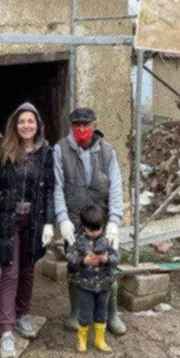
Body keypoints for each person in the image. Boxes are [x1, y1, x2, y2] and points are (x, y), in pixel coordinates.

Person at [0, 102, 55, 358]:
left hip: (34, 221)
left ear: (38, 125)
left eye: (31, 121)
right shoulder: (2, 148)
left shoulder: (46, 152)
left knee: (28, 270)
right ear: (15, 125)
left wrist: (49, 222)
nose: (26, 125)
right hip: (8, 219)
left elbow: (49, 189)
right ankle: (6, 331)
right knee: (10, 272)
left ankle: (22, 314)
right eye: (22, 121)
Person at [53, 107, 126, 335]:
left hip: (100, 220)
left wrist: (114, 221)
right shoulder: (60, 150)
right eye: (77, 125)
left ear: (95, 125)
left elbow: (116, 188)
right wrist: (62, 219)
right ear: (71, 127)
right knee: (75, 264)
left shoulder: (108, 152)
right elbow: (57, 187)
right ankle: (76, 312)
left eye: (86, 124)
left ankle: (111, 314)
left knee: (107, 265)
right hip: (75, 221)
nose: (81, 129)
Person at [66, 203, 119, 354]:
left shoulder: (107, 240)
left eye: (98, 229)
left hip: (105, 286)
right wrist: (84, 261)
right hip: (85, 286)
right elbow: (70, 259)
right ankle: (82, 341)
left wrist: (106, 259)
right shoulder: (78, 241)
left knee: (102, 313)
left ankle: (99, 340)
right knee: (85, 314)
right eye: (91, 230)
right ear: (84, 226)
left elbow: (116, 258)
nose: (95, 233)